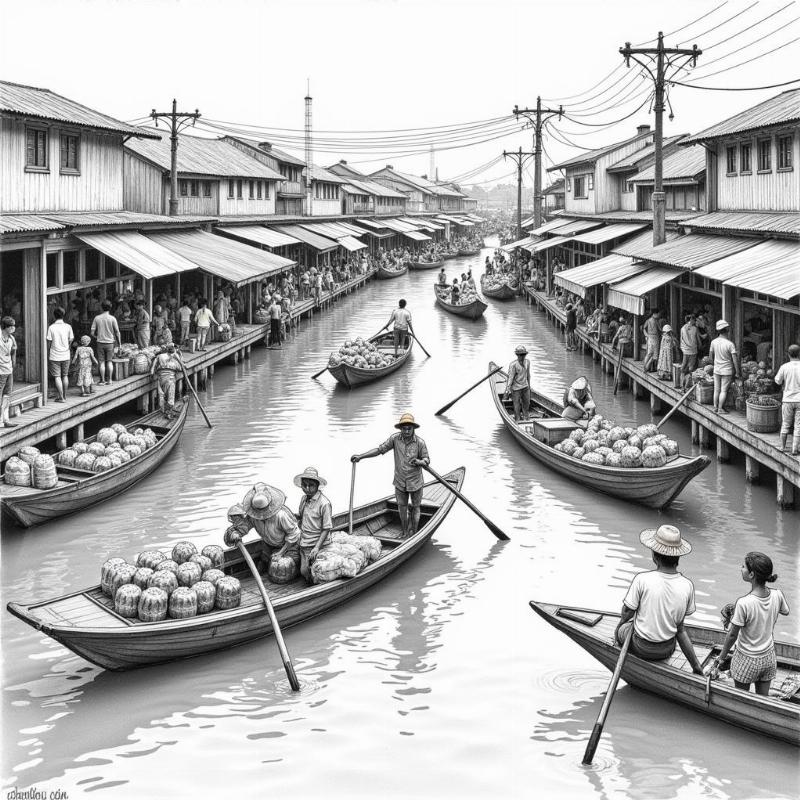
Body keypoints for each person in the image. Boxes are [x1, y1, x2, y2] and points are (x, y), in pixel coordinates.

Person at [615, 525, 704, 673]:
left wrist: (619, 627)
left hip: (641, 647)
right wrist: (696, 666)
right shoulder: (687, 585)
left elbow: (627, 612)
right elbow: (680, 630)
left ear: (655, 556)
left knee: (622, 630)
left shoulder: (642, 579)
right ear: (677, 558)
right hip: (667, 649)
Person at [711, 552, 789, 695]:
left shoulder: (744, 603)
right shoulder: (777, 594)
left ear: (752, 575)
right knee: (762, 699)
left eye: (743, 567)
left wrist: (721, 659)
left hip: (746, 660)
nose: (741, 568)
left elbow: (732, 635)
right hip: (768, 658)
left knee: (742, 698)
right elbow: (785, 611)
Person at [351, 412, 430, 539]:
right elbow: (379, 450)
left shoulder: (420, 443)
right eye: (404, 428)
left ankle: (414, 533)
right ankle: (405, 532)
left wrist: (419, 462)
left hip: (415, 481)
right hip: (400, 480)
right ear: (400, 429)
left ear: (413, 428)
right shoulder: (395, 439)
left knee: (416, 507)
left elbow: (426, 460)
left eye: (409, 428)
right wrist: (361, 456)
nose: (407, 431)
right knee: (402, 508)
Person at [223, 484, 301, 571]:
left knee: (282, 568)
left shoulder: (281, 516)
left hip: (289, 547)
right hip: (269, 546)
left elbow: (294, 534)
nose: (262, 515)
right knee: (262, 566)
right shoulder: (253, 516)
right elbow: (244, 527)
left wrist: (281, 553)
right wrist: (235, 534)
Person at [294, 466, 333, 582]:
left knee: (305, 572)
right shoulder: (303, 499)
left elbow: (326, 528)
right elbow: (301, 516)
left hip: (316, 542)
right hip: (304, 540)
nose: (307, 488)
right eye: (304, 485)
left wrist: (316, 547)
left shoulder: (324, 503)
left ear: (317, 486)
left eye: (311, 485)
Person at [709, 319, 740, 414]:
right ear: (727, 330)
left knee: (716, 389)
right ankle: (720, 408)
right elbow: (735, 360)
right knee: (723, 390)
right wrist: (738, 372)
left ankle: (715, 407)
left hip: (717, 369)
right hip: (727, 370)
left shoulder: (713, 342)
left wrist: (714, 365)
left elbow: (710, 357)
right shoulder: (730, 344)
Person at [774, 343, 800, 456]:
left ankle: (782, 447)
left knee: (785, 424)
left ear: (788, 354)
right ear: (799, 354)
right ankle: (795, 449)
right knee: (798, 425)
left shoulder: (784, 367)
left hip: (787, 399)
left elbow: (778, 381)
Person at [46, 306, 74, 402]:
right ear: (63, 315)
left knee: (57, 376)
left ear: (54, 316)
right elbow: (71, 339)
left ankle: (61, 397)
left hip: (54, 355)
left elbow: (49, 341)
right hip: (66, 354)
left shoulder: (51, 327)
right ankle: (65, 396)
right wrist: (68, 347)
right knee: (65, 375)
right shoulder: (68, 326)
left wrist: (49, 350)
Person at [90, 299, 121, 385]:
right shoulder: (112, 318)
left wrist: (97, 337)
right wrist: (119, 344)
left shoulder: (97, 318)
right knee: (109, 361)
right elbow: (117, 332)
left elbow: (92, 332)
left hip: (100, 342)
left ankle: (102, 380)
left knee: (101, 362)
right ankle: (110, 380)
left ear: (101, 307)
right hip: (110, 343)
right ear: (110, 308)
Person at [150, 342, 182, 418]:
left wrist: (152, 375)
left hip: (160, 378)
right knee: (170, 397)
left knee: (161, 395)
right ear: (173, 349)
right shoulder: (175, 357)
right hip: (170, 378)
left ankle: (162, 411)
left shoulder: (159, 356)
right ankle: (168, 412)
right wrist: (180, 360)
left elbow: (152, 369)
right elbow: (180, 368)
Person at [503, 345, 531, 422]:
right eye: (521, 355)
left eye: (524, 354)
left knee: (526, 403)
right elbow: (510, 378)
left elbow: (528, 375)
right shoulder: (513, 365)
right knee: (516, 404)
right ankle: (517, 419)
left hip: (525, 387)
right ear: (517, 355)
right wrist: (507, 390)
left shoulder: (527, 362)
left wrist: (529, 386)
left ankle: (526, 419)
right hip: (516, 388)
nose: (522, 356)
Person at [0, 316, 17, 428]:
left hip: (8, 369)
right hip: (0, 371)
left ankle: (5, 419)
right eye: (11, 326)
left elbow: (13, 351)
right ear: (5, 327)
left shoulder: (11, 339)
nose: (13, 328)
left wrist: (13, 364)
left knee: (7, 395)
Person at [679, 314, 701, 386]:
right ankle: (687, 385)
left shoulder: (682, 328)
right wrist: (700, 346)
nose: (695, 321)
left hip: (685, 350)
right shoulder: (695, 329)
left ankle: (682, 385)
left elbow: (681, 339)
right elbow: (698, 340)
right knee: (691, 368)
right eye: (694, 319)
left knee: (683, 367)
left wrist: (682, 348)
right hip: (693, 350)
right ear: (691, 319)